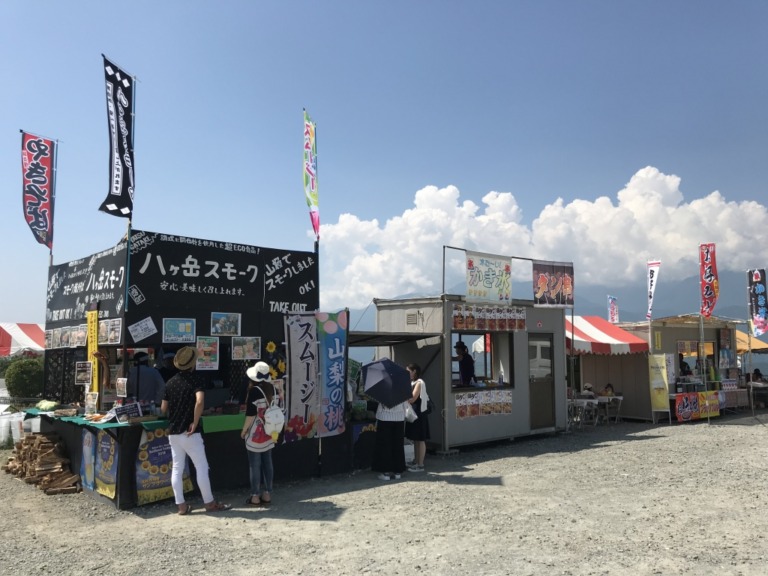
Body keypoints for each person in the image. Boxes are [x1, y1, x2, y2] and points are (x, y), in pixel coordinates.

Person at [160, 346, 231, 515]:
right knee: (201, 466)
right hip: (190, 432)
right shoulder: (196, 380)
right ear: (193, 364)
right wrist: (195, 420)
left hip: (174, 432)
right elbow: (199, 401)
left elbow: (163, 408)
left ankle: (181, 506)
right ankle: (209, 503)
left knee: (177, 468)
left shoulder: (170, 383)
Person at [241, 361, 276, 506]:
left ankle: (255, 495)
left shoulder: (254, 391)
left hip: (255, 434)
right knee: (268, 462)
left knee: (254, 465)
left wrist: (243, 431)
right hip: (269, 432)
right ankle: (268, 493)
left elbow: (250, 415)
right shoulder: (272, 389)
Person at [372, 394, 408, 481]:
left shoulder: (383, 386)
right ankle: (398, 471)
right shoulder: (402, 386)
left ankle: (385, 472)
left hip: (385, 416)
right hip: (399, 417)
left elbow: (378, 400)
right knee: (398, 445)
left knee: (385, 445)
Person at [404, 363, 430, 473]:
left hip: (419, 413)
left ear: (414, 371)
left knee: (421, 438)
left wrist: (402, 396)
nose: (407, 373)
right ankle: (416, 461)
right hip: (413, 413)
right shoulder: (411, 382)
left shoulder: (419, 383)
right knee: (415, 438)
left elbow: (412, 399)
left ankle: (420, 464)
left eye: (408, 371)